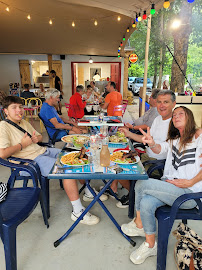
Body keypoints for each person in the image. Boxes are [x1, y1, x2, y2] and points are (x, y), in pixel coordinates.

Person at [0, 96, 102, 225]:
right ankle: (77, 212)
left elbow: (40, 136)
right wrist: (22, 145)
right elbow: (2, 153)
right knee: (67, 170)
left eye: (20, 107)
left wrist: (37, 138)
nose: (19, 110)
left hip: (42, 151)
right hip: (28, 163)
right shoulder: (3, 126)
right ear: (6, 111)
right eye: (14, 108)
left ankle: (87, 190)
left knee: (76, 157)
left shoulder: (23, 122)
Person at [121, 106, 202, 265]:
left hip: (189, 194)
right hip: (170, 188)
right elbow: (159, 149)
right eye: (174, 115)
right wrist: (151, 143)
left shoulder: (199, 138)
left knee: (142, 183)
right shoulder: (174, 140)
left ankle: (139, 224)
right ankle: (150, 244)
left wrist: (191, 181)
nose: (176, 117)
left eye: (181, 114)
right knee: (146, 202)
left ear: (190, 118)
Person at [109, 90, 176, 208]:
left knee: (119, 169)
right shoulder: (158, 119)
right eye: (159, 101)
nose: (161, 105)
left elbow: (166, 149)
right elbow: (145, 139)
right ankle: (133, 193)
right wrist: (128, 133)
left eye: (166, 102)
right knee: (114, 162)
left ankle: (133, 195)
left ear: (174, 103)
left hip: (157, 163)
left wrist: (151, 146)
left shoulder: (175, 123)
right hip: (146, 155)